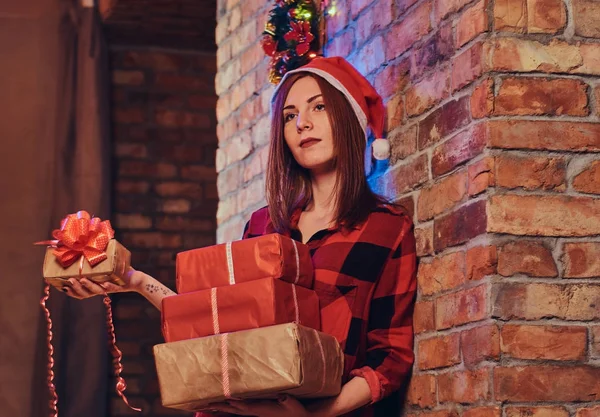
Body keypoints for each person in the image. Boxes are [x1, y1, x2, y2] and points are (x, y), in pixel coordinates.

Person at [64, 56, 417, 417]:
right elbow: (216, 323)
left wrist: (312, 416)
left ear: (349, 117)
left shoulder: (386, 228)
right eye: (290, 116)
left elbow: (391, 356)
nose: (302, 124)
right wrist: (136, 281)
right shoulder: (264, 225)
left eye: (319, 107)